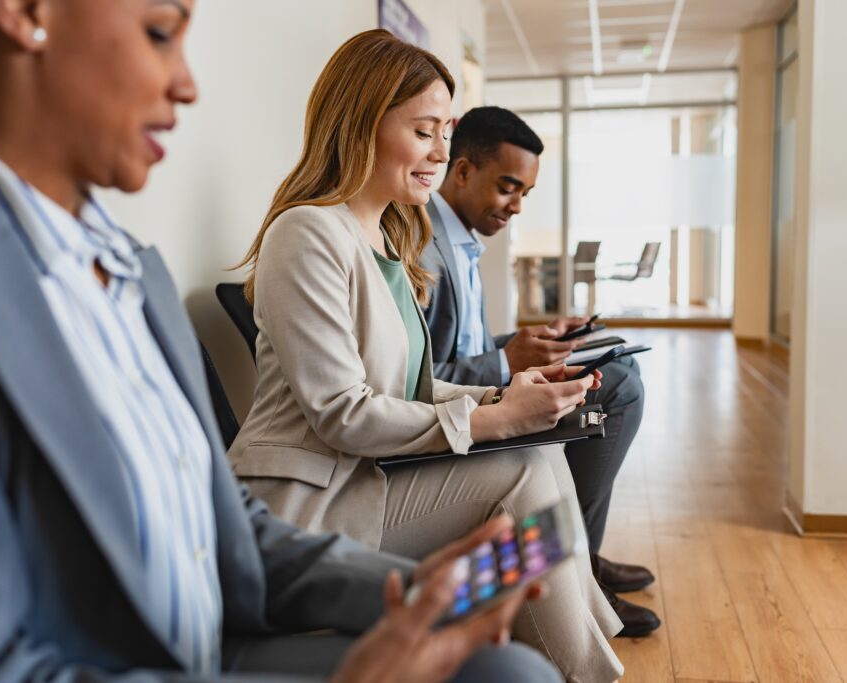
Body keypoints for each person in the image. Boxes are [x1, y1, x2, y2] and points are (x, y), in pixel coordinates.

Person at [0, 2, 561, 681]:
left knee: (508, 663)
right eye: (160, 33)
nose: (187, 84)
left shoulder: (131, 267)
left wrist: (408, 587)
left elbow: (227, 533)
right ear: (24, 12)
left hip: (216, 631)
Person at [230, 29, 624, 682]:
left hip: (366, 477)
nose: (442, 152)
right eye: (424, 131)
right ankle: (575, 663)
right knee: (521, 471)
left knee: (541, 446)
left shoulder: (382, 236)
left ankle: (552, 648)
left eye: (446, 131)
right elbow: (342, 413)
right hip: (310, 501)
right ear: (362, 124)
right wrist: (493, 418)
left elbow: (409, 387)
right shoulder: (306, 233)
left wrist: (506, 396)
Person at [420, 106, 660, 637]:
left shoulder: (459, 241)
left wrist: (537, 341)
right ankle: (581, 565)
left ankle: (581, 557)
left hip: (481, 388)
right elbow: (420, 376)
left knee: (615, 367)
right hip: (457, 413)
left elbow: (469, 346)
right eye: (509, 187)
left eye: (525, 193)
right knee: (617, 387)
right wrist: (506, 360)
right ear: (461, 171)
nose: (517, 206)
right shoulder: (425, 248)